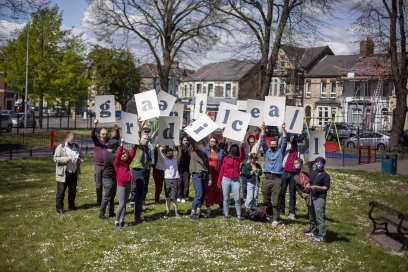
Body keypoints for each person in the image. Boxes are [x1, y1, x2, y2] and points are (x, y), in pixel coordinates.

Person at [260, 122, 287, 226]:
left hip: (277, 178)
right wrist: (263, 129)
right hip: (267, 178)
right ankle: (270, 214)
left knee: (275, 201)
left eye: (274, 145)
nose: (272, 146)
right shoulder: (267, 151)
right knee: (266, 199)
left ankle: (276, 218)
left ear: (277, 145)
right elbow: (262, 141)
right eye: (271, 145)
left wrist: (284, 130)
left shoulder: (280, 151)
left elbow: (284, 141)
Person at [280, 129, 309, 220]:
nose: (293, 139)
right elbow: (280, 142)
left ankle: (292, 212)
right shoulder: (286, 147)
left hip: (294, 174)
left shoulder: (300, 148)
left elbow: (307, 144)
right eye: (292, 137)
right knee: (282, 192)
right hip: (285, 172)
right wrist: (285, 133)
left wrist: (304, 135)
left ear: (297, 139)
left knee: (292, 193)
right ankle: (281, 210)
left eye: (295, 137)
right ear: (290, 139)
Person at [91, 119, 120, 207]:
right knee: (99, 185)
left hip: (108, 166)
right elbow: (92, 135)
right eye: (103, 134)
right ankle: (99, 201)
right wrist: (94, 125)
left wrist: (116, 128)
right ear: (100, 134)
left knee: (109, 184)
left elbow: (117, 138)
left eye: (106, 134)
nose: (105, 135)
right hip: (98, 166)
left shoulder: (110, 140)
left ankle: (108, 200)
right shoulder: (97, 141)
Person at [53, 133, 84, 214]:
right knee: (61, 191)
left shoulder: (76, 147)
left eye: (73, 140)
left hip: (73, 172)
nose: (72, 142)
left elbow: (82, 157)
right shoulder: (61, 147)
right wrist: (66, 159)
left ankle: (71, 205)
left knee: (73, 190)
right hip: (63, 173)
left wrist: (79, 161)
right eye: (71, 141)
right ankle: (59, 207)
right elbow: (55, 158)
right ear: (67, 139)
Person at [113, 138, 137, 229]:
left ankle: (122, 220)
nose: (124, 155)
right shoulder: (117, 163)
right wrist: (122, 144)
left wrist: (136, 144)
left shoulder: (127, 162)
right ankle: (116, 222)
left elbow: (133, 154)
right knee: (121, 204)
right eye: (122, 153)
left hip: (128, 184)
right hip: (121, 185)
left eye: (125, 153)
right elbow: (119, 155)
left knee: (125, 204)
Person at [217, 142, 245, 221]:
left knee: (237, 198)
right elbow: (222, 170)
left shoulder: (238, 159)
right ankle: (226, 213)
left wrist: (241, 147)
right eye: (232, 149)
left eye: (235, 150)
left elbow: (242, 156)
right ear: (230, 150)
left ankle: (239, 215)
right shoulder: (225, 158)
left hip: (235, 180)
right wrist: (219, 181)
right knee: (226, 198)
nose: (234, 151)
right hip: (225, 179)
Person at [305, 157, 331, 242]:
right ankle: (313, 230)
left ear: (323, 164)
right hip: (311, 196)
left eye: (320, 163)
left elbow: (326, 187)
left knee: (319, 217)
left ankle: (322, 235)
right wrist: (308, 185)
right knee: (311, 215)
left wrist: (317, 187)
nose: (318, 164)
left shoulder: (325, 175)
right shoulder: (312, 172)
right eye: (317, 163)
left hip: (320, 197)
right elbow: (310, 181)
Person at [130, 133, 152, 224]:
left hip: (146, 170)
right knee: (138, 194)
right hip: (138, 170)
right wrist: (140, 124)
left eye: (147, 138)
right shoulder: (138, 145)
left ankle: (139, 212)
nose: (145, 140)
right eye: (144, 138)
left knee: (142, 193)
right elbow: (136, 133)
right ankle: (137, 216)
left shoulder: (147, 147)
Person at [187, 138, 210, 221]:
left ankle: (198, 211)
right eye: (198, 143)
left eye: (201, 143)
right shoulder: (193, 152)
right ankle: (192, 211)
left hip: (205, 175)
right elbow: (191, 141)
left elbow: (208, 166)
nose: (200, 144)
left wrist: (209, 177)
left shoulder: (204, 154)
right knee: (199, 194)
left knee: (203, 194)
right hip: (197, 175)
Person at [202, 136, 226, 215]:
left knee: (219, 190)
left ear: (216, 142)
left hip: (218, 174)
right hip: (208, 173)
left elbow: (224, 162)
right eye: (211, 141)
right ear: (209, 142)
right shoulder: (205, 150)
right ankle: (208, 207)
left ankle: (221, 207)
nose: (212, 143)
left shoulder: (220, 151)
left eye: (214, 141)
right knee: (208, 190)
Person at [157, 147, 182, 218]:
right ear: (166, 154)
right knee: (168, 197)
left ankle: (176, 212)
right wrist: (158, 149)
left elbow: (179, 155)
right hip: (167, 179)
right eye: (169, 154)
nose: (171, 155)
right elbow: (159, 155)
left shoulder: (175, 159)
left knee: (174, 197)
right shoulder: (164, 160)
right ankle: (167, 212)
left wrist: (179, 148)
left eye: (172, 153)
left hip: (174, 179)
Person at [99, 139, 119, 220]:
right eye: (116, 147)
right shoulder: (111, 156)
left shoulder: (106, 153)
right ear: (114, 147)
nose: (117, 149)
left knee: (111, 196)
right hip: (109, 179)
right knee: (107, 197)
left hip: (109, 178)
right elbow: (117, 166)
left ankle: (111, 212)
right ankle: (101, 213)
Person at [241, 133, 261, 202]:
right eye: (250, 138)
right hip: (245, 165)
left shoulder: (256, 146)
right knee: (244, 184)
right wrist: (244, 130)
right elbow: (243, 140)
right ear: (248, 139)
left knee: (253, 182)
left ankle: (253, 199)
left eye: (253, 138)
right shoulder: (246, 145)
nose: (252, 139)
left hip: (253, 165)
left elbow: (260, 140)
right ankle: (245, 198)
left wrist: (262, 130)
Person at [177, 135, 191, 203]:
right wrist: (180, 148)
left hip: (187, 166)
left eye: (186, 140)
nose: (185, 142)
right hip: (179, 165)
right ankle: (178, 195)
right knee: (179, 181)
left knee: (186, 182)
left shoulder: (190, 147)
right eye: (184, 140)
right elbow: (179, 154)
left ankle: (183, 196)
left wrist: (187, 148)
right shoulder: (180, 146)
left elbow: (191, 155)